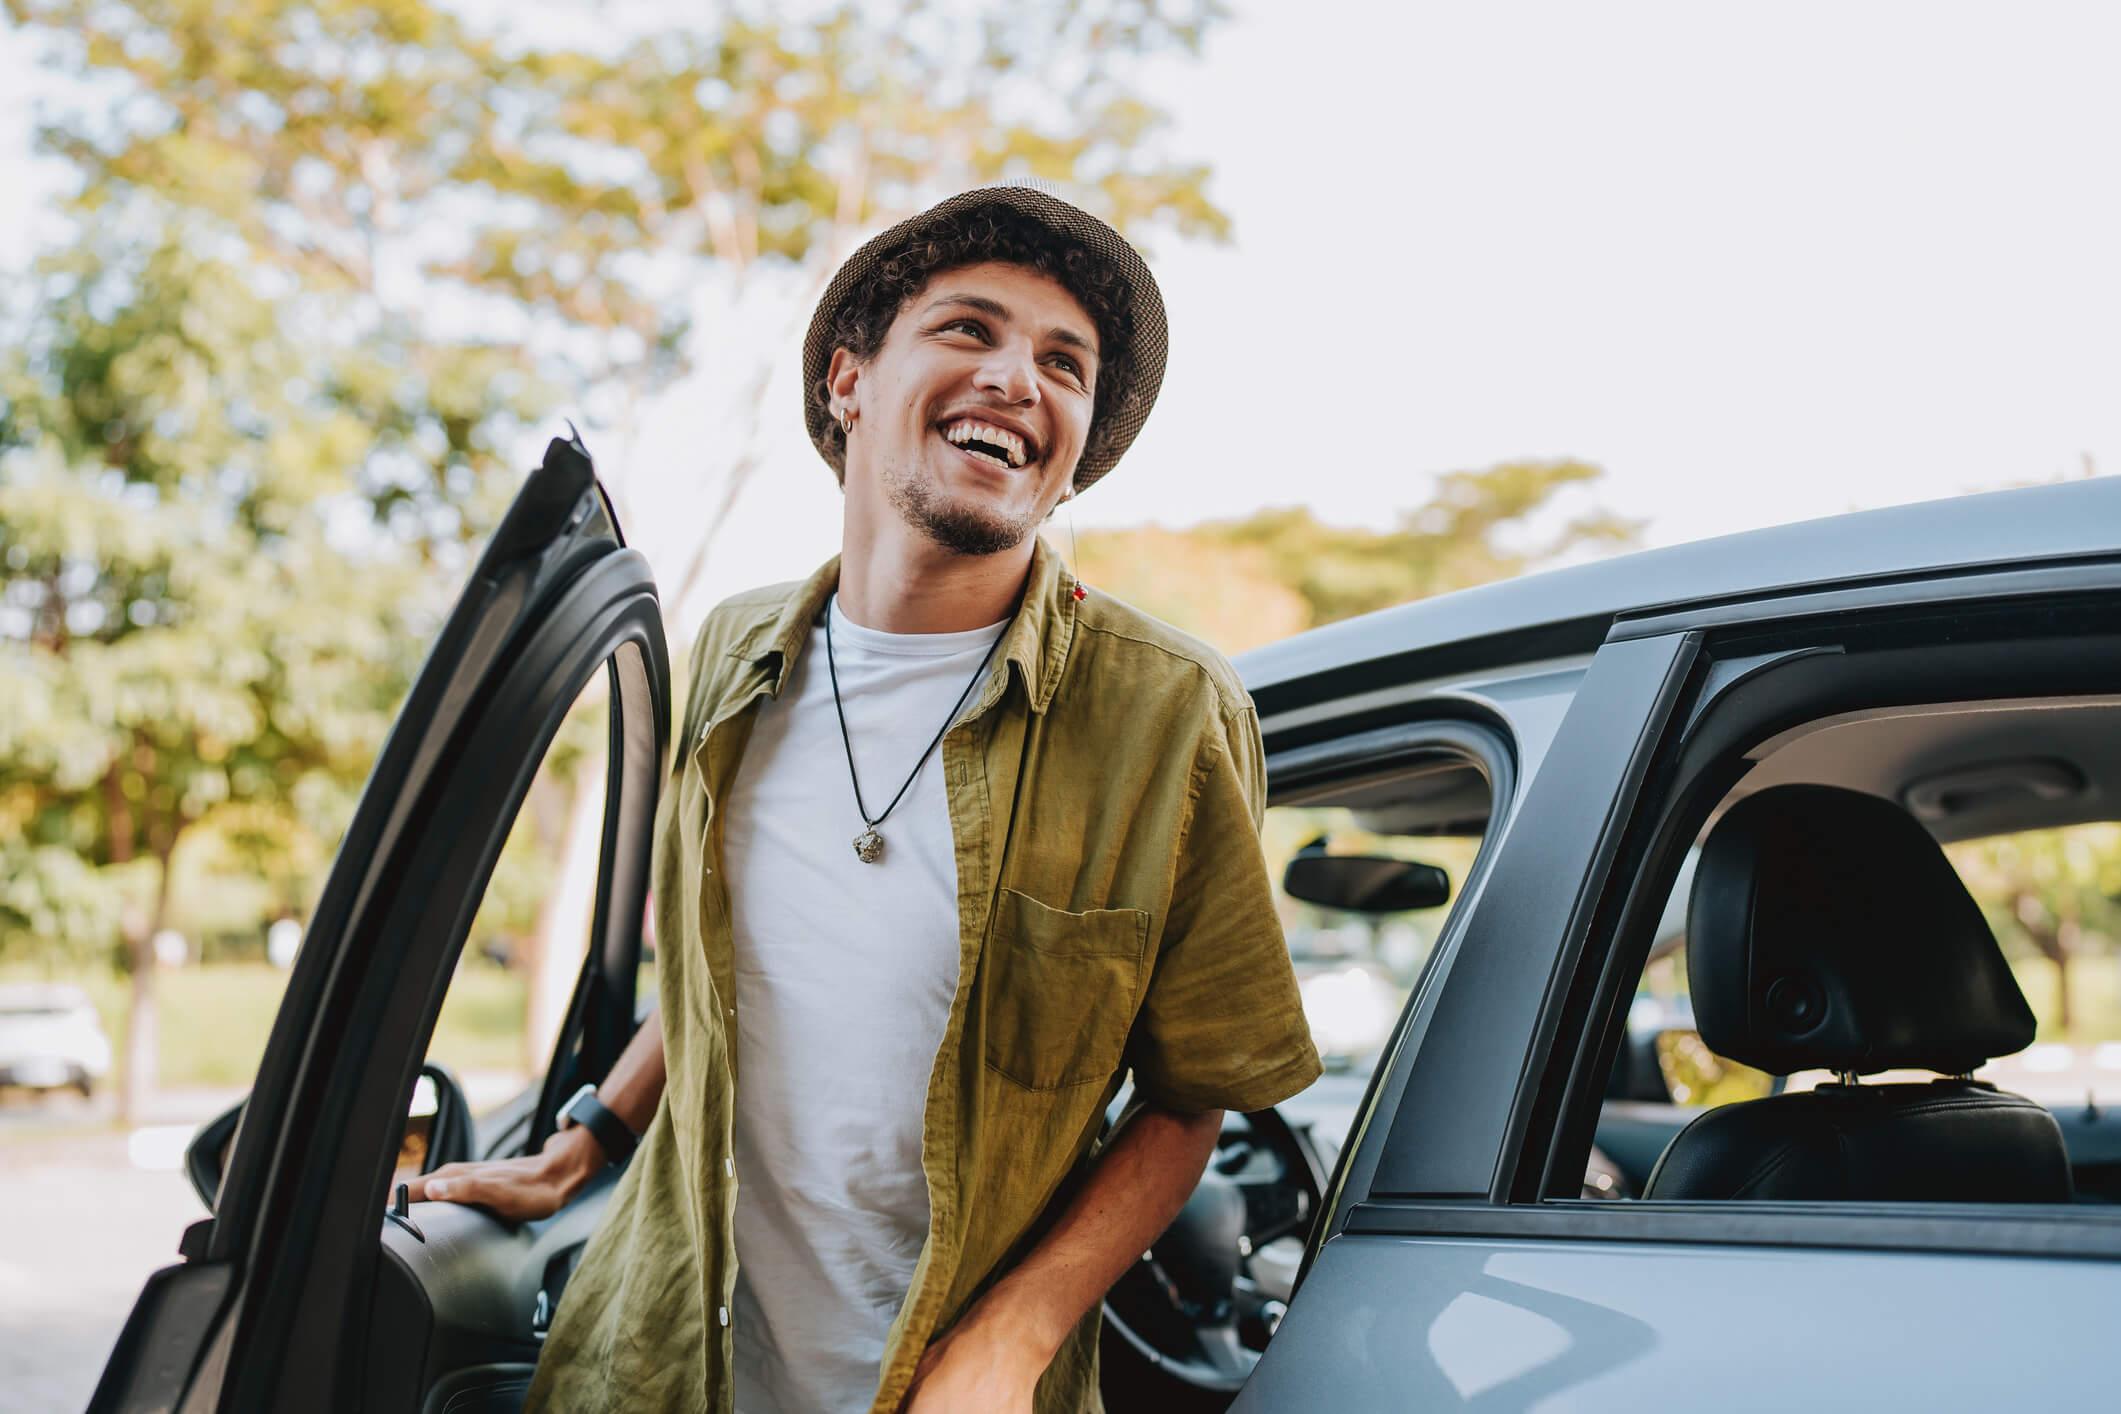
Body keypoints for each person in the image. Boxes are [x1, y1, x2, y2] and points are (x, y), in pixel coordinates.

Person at [407, 184, 1322, 1414]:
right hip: (659, 1365)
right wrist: (580, 1144)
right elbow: (723, 965)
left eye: (1065, 362)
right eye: (968, 329)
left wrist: (1014, 1340)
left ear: (1074, 452)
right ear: (849, 382)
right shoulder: (733, 652)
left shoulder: (1166, 713)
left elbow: (1188, 1095)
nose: (1018, 377)